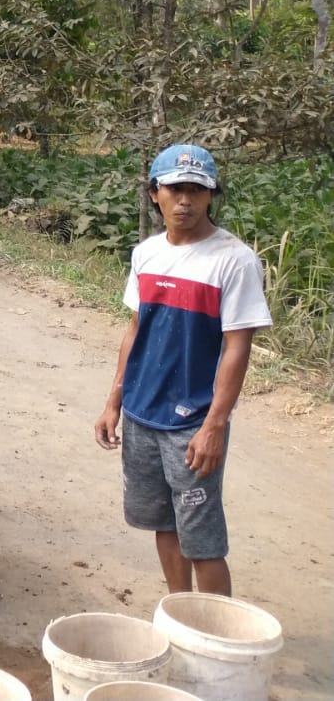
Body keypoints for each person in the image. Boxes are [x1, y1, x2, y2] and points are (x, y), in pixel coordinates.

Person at [93, 145, 271, 597]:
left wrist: (214, 425)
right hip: (141, 414)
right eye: (175, 189)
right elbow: (135, 329)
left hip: (192, 423)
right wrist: (114, 401)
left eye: (196, 190)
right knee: (163, 524)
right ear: (155, 194)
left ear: (211, 196)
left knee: (203, 540)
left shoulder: (233, 260)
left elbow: (237, 347)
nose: (185, 201)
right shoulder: (146, 254)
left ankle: (215, 634)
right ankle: (179, 612)